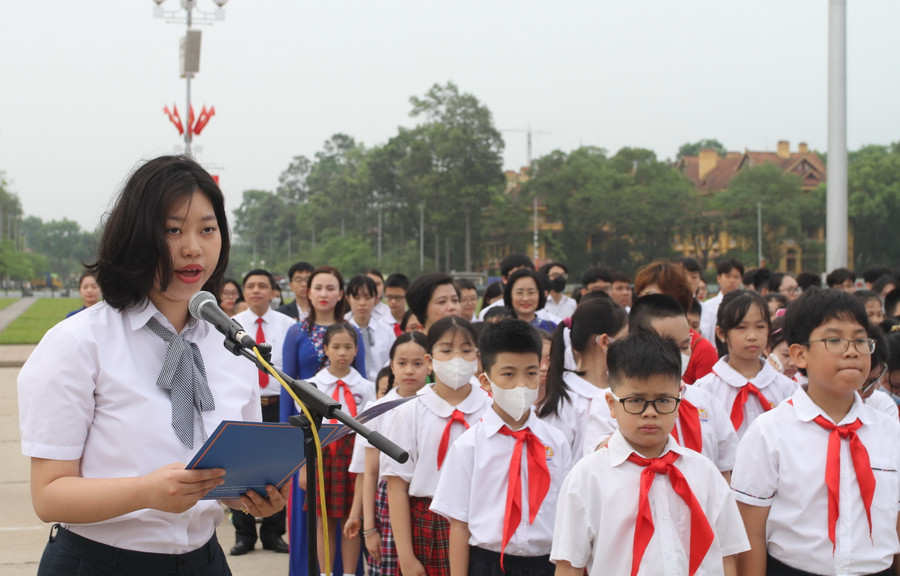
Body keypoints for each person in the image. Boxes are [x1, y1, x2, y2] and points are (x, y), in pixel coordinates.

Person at [18, 155, 287, 575]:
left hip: (204, 560)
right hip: (99, 562)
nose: (193, 247)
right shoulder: (78, 342)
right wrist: (145, 492)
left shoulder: (231, 345)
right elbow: (48, 496)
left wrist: (250, 496)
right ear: (136, 237)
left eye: (207, 229)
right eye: (172, 230)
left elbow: (232, 473)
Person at [551, 330, 750, 576]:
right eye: (635, 401)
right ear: (612, 405)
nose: (650, 413)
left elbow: (727, 555)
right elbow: (569, 565)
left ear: (679, 401)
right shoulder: (587, 478)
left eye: (663, 400)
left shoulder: (704, 472)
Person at [732, 289, 900, 575]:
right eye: (834, 340)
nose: (851, 350)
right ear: (799, 354)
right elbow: (751, 532)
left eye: (860, 340)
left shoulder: (890, 431)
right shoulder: (769, 432)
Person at [431, 319, 572, 576]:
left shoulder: (556, 441)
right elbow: (459, 525)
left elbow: (567, 515)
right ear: (485, 381)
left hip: (544, 563)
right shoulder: (469, 446)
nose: (521, 384)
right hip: (487, 563)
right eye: (508, 374)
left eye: (531, 373)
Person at [383, 317, 492, 576]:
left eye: (465, 350)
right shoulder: (410, 411)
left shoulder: (492, 409)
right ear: (430, 360)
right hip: (428, 524)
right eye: (446, 350)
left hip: (482, 520)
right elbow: (397, 486)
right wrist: (406, 557)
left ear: (477, 358)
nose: (456, 358)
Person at [280, 265, 366, 576]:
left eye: (331, 288)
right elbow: (287, 387)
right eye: (318, 287)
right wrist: (291, 447)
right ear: (307, 291)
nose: (324, 294)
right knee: (315, 516)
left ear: (341, 293)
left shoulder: (352, 333)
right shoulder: (295, 332)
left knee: (347, 516)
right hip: (310, 437)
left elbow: (364, 385)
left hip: (348, 438)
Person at [627, 294, 739, 479]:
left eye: (685, 345)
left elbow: (725, 470)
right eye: (669, 347)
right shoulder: (614, 403)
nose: (679, 356)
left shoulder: (706, 401)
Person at [346, 332, 430, 576]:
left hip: (427, 497)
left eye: (418, 363)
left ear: (429, 364)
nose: (409, 371)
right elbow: (370, 472)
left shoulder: (436, 404)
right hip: (388, 501)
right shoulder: (377, 410)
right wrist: (369, 528)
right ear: (391, 365)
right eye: (402, 363)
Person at [299, 322, 375, 576]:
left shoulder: (366, 386)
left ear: (356, 350)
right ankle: (325, 573)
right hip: (322, 452)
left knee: (351, 519)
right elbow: (304, 428)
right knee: (324, 520)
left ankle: (351, 573)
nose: (342, 353)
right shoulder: (312, 384)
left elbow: (371, 427)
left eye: (348, 347)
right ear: (326, 349)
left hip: (354, 454)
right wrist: (302, 467)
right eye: (336, 347)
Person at [229, 269, 295, 555]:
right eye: (251, 286)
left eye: (263, 286)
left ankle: (273, 533)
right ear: (244, 292)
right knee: (241, 469)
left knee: (277, 471)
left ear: (273, 292)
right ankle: (244, 535)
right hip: (242, 405)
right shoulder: (229, 325)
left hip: (278, 404)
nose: (256, 290)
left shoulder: (288, 325)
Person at [695, 291, 797, 439]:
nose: (752, 336)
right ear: (721, 333)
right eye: (741, 328)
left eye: (760, 327)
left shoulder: (787, 389)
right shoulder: (706, 390)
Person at [540, 298, 627, 460]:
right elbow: (552, 465)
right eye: (625, 339)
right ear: (605, 342)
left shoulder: (625, 388)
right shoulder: (565, 400)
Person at [633, 259, 717, 385]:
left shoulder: (701, 349)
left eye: (652, 296)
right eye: (641, 296)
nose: (643, 303)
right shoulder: (629, 341)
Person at [345, 274, 397, 381]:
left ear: (376, 299)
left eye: (368, 297)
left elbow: (393, 359)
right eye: (356, 298)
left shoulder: (387, 331)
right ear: (347, 298)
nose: (362, 303)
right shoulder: (341, 330)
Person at [700, 258, 744, 343]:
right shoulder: (708, 306)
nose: (732, 281)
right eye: (728, 276)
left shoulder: (747, 305)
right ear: (719, 278)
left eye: (736, 277)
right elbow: (705, 334)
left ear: (741, 279)